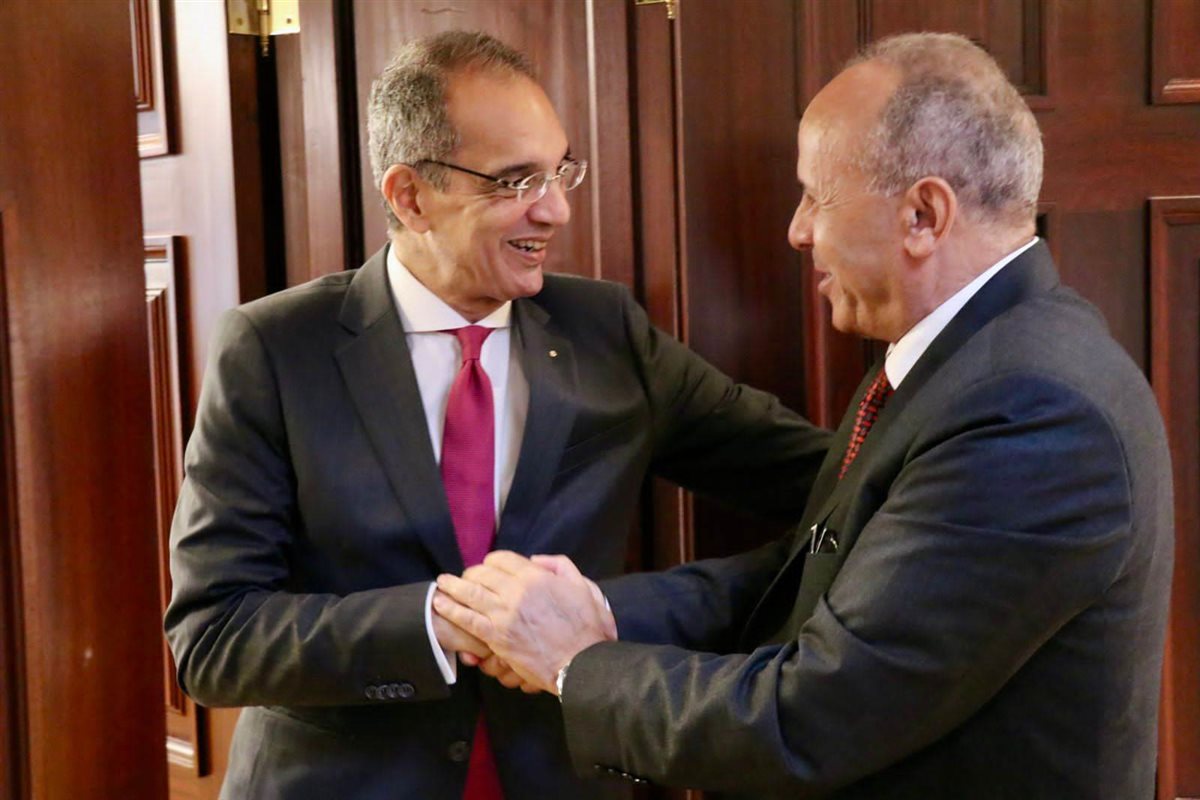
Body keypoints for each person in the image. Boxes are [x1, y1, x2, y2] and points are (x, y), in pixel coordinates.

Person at [434, 32, 1175, 798]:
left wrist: (575, 663)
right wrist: (592, 609)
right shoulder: (960, 360)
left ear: (924, 214)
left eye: (817, 196)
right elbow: (811, 569)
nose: (798, 230)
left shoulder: (1031, 411)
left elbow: (811, 720)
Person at [163, 30, 829, 800]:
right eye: (516, 181)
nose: (556, 210)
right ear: (410, 196)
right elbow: (212, 639)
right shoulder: (276, 349)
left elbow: (827, 481)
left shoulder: (607, 333)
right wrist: (443, 620)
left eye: (560, 172)